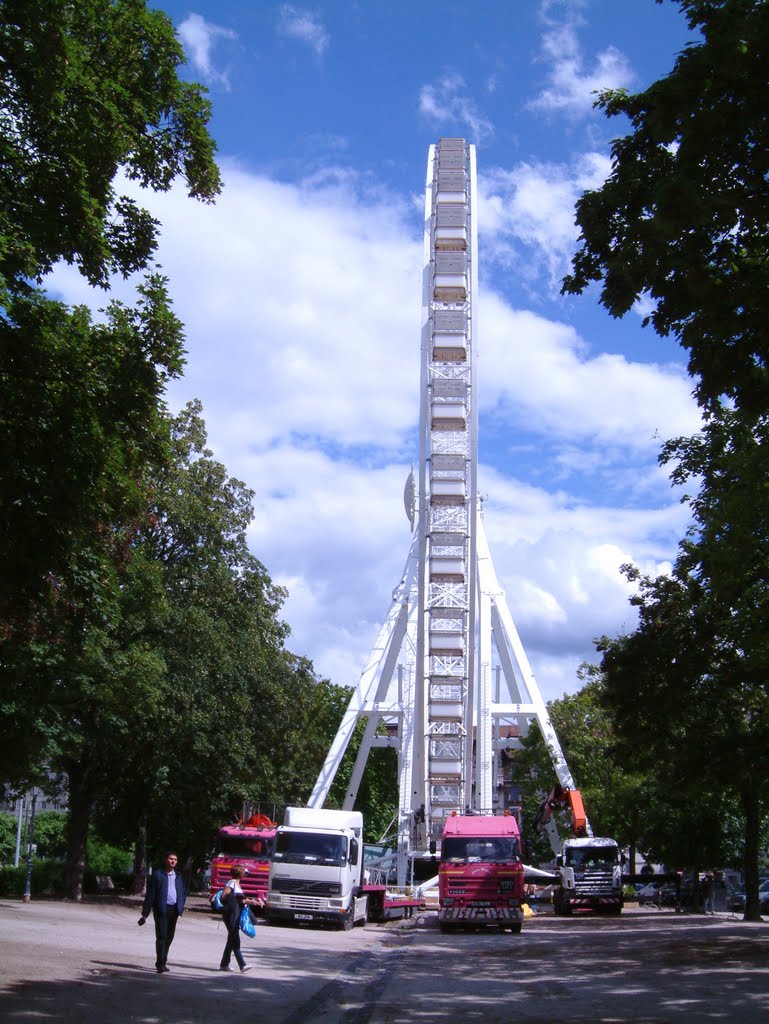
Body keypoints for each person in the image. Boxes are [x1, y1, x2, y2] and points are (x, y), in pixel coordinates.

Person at [138, 851, 186, 974]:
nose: (173, 861)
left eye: (175, 859)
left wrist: (181, 905)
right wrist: (145, 912)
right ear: (166, 860)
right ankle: (160, 963)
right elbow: (151, 894)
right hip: (161, 909)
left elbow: (182, 892)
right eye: (171, 859)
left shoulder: (179, 876)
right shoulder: (158, 875)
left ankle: (164, 961)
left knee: (169, 937)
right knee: (161, 937)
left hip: (174, 909)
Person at [219, 866, 254, 973]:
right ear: (240, 873)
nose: (245, 873)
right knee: (235, 938)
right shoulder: (231, 883)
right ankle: (242, 964)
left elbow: (238, 899)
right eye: (243, 871)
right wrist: (238, 901)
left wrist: (249, 901)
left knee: (231, 939)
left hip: (236, 914)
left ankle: (224, 964)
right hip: (230, 914)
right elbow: (224, 896)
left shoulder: (237, 884)